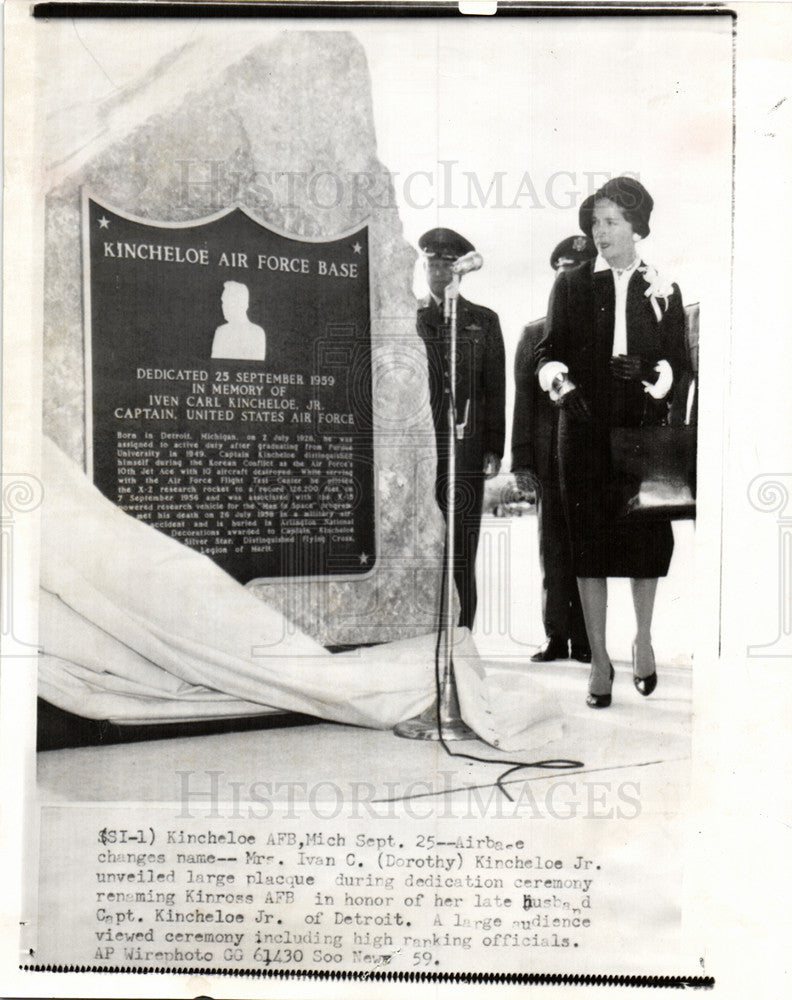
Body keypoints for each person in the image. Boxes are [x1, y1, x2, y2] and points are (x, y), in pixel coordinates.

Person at [536, 177, 686, 707]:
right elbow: (547, 350)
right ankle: (599, 661)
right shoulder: (572, 285)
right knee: (589, 548)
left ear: (636, 226)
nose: (600, 233)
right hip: (583, 429)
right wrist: (561, 384)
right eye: (596, 222)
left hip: (640, 430)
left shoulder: (662, 287)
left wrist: (653, 373)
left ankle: (642, 639)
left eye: (612, 222)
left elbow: (680, 365)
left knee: (645, 545)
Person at [512, 233, 596, 664]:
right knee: (552, 551)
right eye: (565, 273)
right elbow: (524, 402)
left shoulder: (600, 333)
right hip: (549, 461)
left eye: (579, 272)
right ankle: (555, 637)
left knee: (586, 548)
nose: (571, 281)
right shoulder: (532, 334)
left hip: (587, 458)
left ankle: (584, 640)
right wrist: (522, 461)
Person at [416, 228, 506, 630]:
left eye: (447, 263)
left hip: (466, 452)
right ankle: (426, 633)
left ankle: (463, 636)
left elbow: (495, 387)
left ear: (461, 269)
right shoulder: (412, 318)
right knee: (423, 547)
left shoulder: (483, 321)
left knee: (462, 547)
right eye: (431, 261)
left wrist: (494, 448)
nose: (438, 270)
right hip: (421, 452)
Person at [211, 280, 267, 361]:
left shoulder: (257, 333)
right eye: (223, 302)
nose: (223, 307)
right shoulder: (221, 332)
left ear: (241, 303)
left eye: (228, 302)